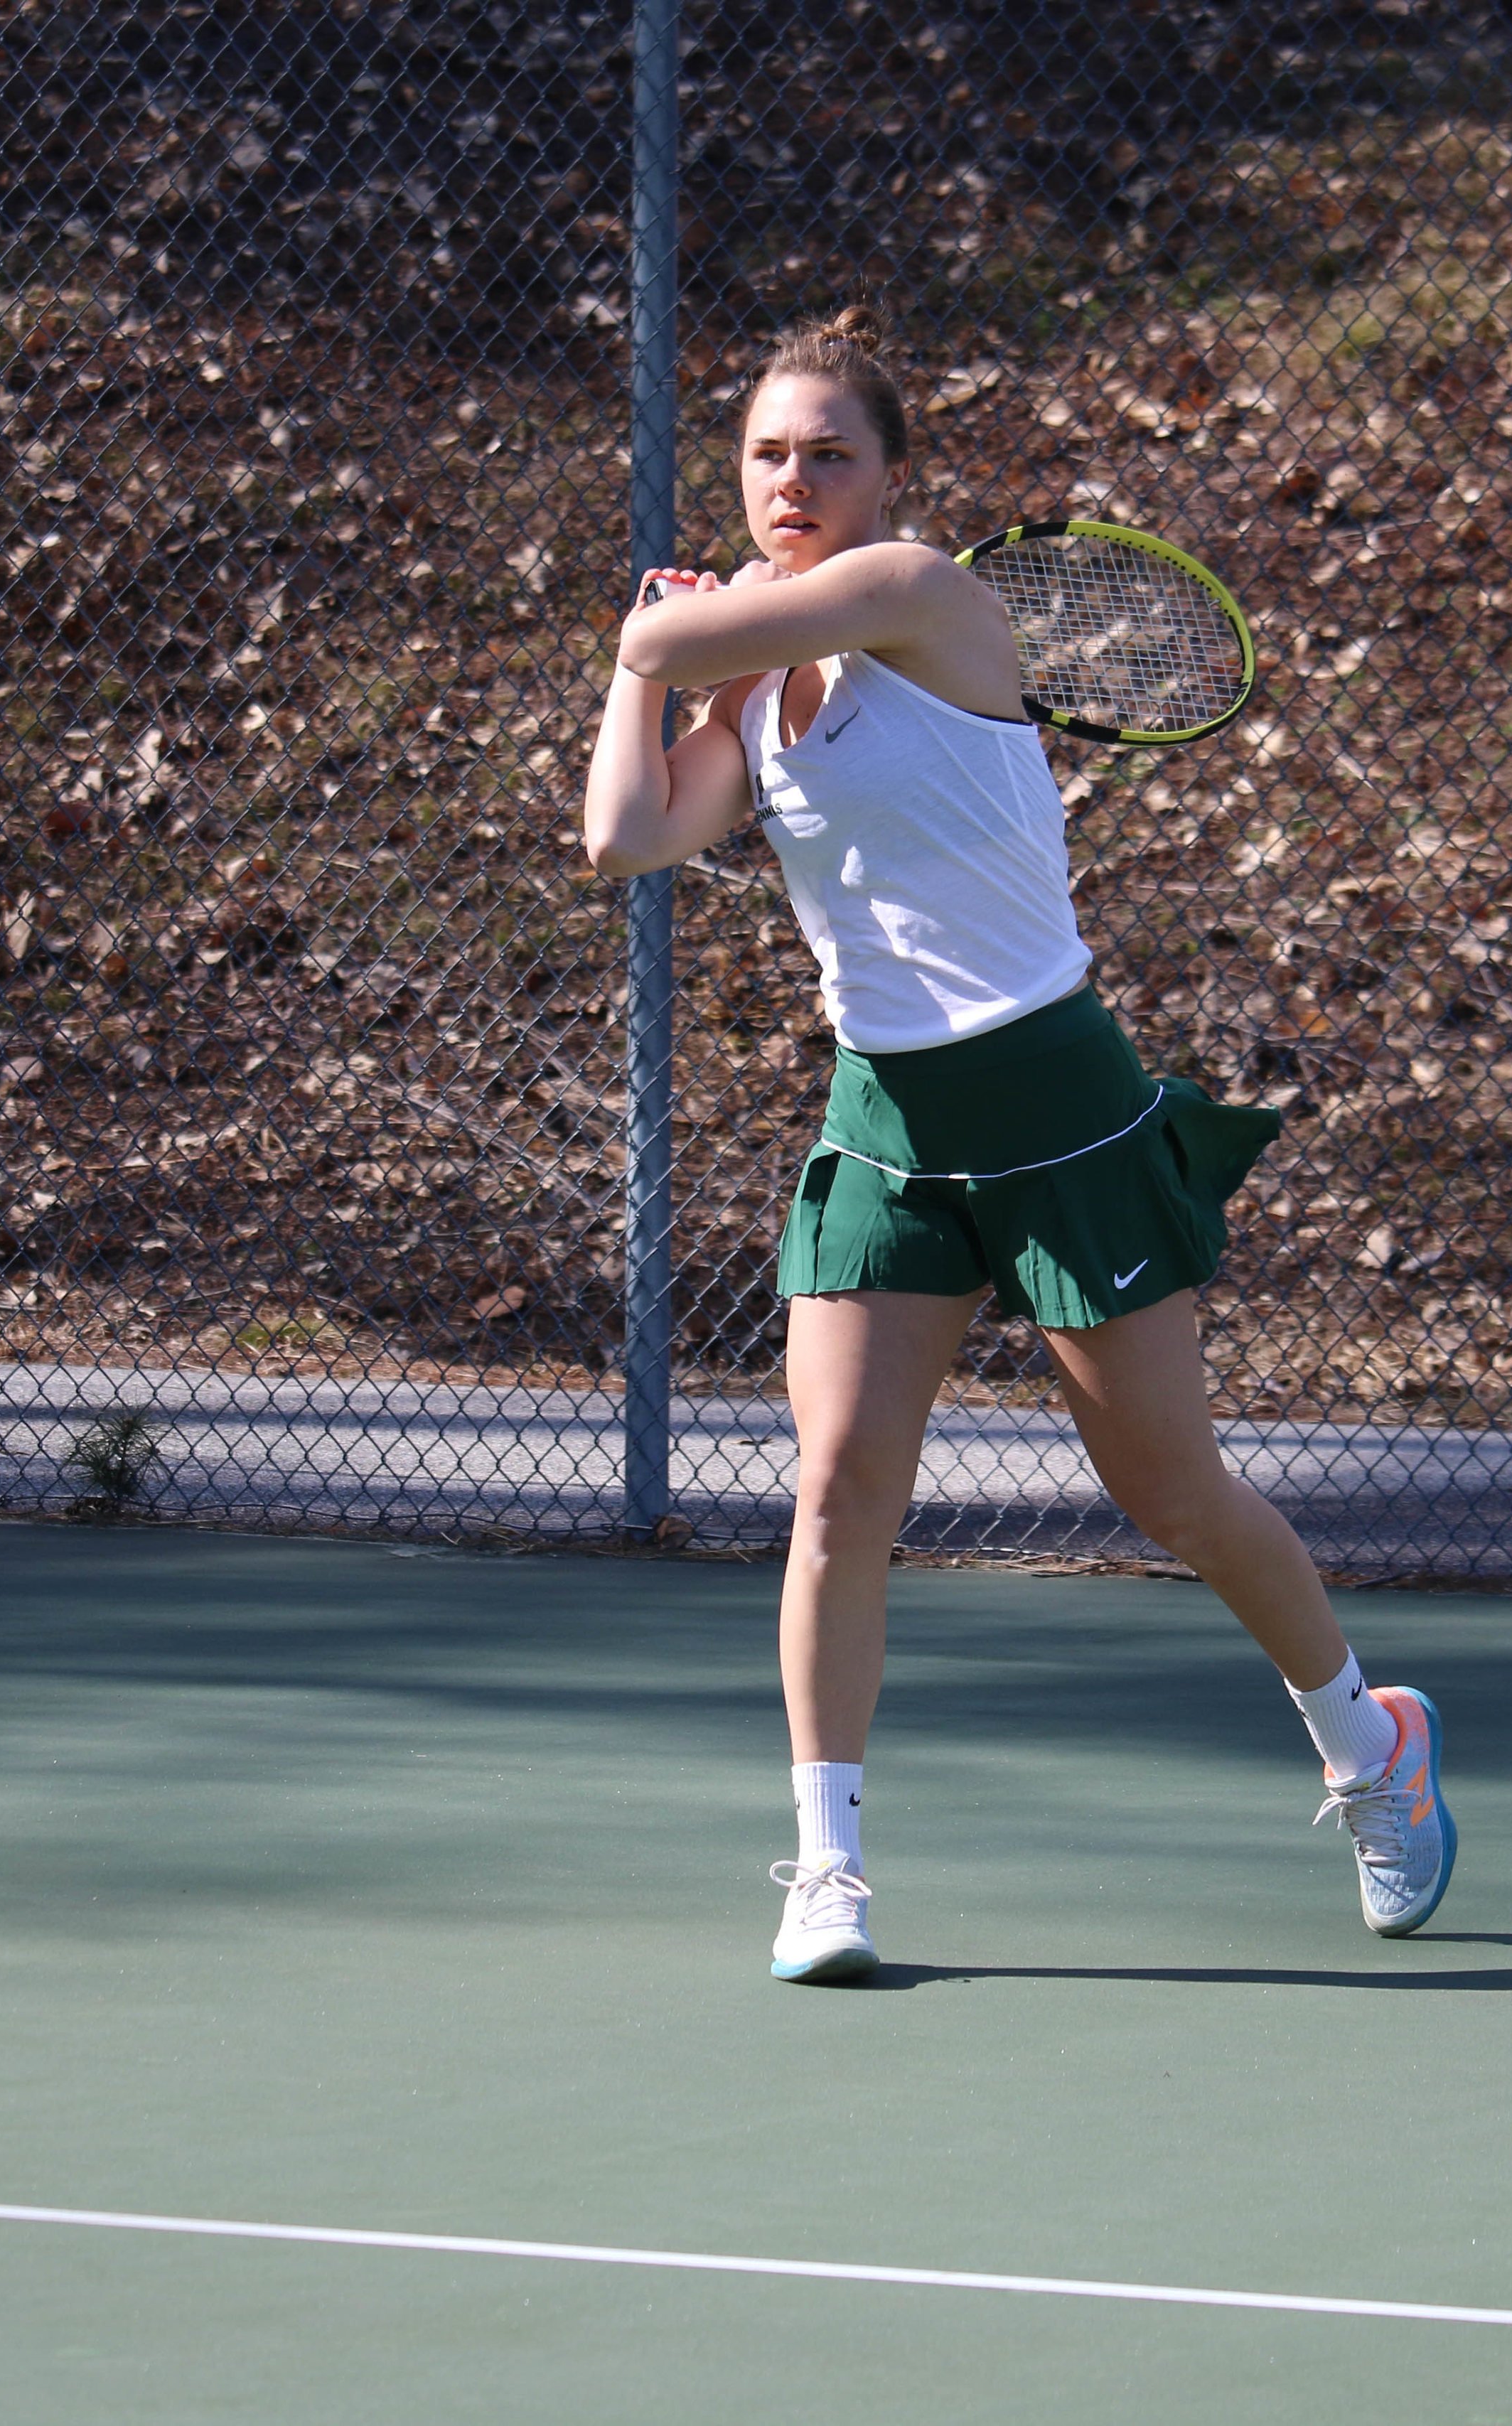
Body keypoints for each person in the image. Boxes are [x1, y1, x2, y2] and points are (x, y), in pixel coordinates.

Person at [578, 307, 1452, 1985]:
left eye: (829, 451)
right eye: (766, 453)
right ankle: (825, 1869)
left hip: (1055, 1106)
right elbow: (622, 836)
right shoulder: (755, 688)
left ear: (892, 475)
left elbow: (670, 657)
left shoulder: (921, 593)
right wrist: (664, 658)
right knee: (837, 1493)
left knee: (1169, 1492)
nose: (793, 480)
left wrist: (656, 643)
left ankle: (1368, 1743)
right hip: (887, 1123)